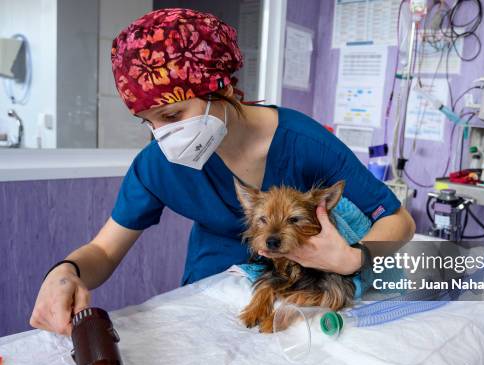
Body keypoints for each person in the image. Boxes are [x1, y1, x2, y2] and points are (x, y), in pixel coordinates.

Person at [30, 8, 415, 336]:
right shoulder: (159, 163)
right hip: (212, 296)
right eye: (147, 123)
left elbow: (399, 221)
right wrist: (65, 272)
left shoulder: (304, 144)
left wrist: (351, 259)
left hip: (305, 293)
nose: (163, 134)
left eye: (171, 115)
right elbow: (103, 250)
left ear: (220, 86)